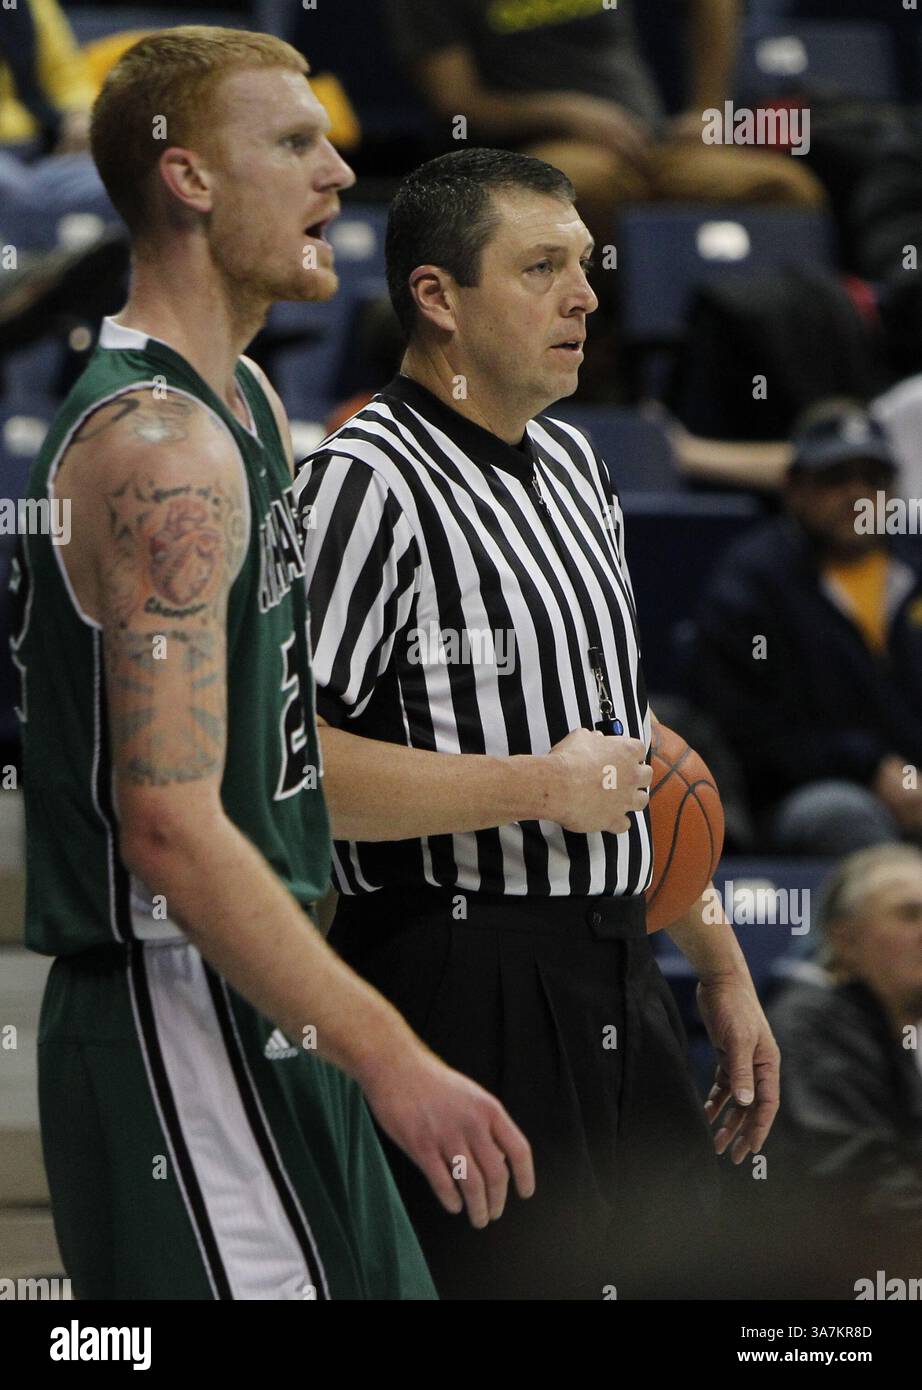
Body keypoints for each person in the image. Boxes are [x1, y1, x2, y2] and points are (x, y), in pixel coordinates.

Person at [11, 27, 536, 1302]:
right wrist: (391, 1054)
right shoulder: (158, 445)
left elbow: (275, 762)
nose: (339, 173)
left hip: (270, 992)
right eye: (294, 143)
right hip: (172, 1004)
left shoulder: (243, 398)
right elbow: (172, 831)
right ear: (187, 179)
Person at [293, 146, 780, 1300]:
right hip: (456, 966)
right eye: (542, 267)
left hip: (615, 955)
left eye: (586, 266)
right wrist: (533, 788)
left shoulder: (575, 462)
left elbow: (626, 746)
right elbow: (285, 768)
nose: (587, 296)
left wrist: (715, 959)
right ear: (436, 297)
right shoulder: (359, 483)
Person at [383, 0, 826, 249]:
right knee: (585, 192)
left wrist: (707, 111)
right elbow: (457, 101)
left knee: (783, 188)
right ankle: (602, 365)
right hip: (530, 153)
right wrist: (565, 112)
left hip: (651, 146)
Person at [692, 401, 922, 857]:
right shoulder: (752, 582)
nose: (858, 495)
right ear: (794, 488)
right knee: (844, 815)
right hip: (806, 794)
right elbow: (746, 732)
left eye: (873, 479)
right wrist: (870, 768)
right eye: (836, 479)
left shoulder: (915, 567)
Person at [761, 844, 922, 1294]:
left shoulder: (890, 1024)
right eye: (910, 915)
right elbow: (856, 1186)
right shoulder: (811, 1026)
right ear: (845, 940)